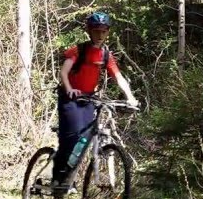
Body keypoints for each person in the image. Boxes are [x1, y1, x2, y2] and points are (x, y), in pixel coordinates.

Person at [53, 11, 139, 188]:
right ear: (89, 31)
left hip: (88, 98)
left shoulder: (106, 55)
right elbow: (64, 72)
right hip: (70, 98)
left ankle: (71, 175)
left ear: (107, 32)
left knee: (85, 137)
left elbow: (118, 77)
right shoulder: (80, 50)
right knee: (73, 135)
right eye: (96, 31)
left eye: (103, 31)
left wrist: (130, 97)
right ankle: (58, 177)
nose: (100, 35)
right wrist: (69, 89)